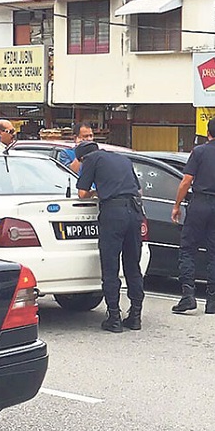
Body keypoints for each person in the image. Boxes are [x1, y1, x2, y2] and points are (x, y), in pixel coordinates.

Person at [171, 117, 215, 315]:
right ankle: (212, 301)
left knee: (188, 250)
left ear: (208, 134)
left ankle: (188, 295)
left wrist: (177, 205)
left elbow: (186, 181)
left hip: (199, 203)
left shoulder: (199, 152)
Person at [75, 141, 145, 333]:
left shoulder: (90, 160)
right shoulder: (122, 159)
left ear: (82, 158)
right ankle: (136, 315)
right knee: (133, 265)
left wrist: (97, 192)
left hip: (113, 213)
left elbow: (82, 193)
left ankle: (113, 317)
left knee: (110, 264)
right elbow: (138, 190)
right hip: (134, 211)